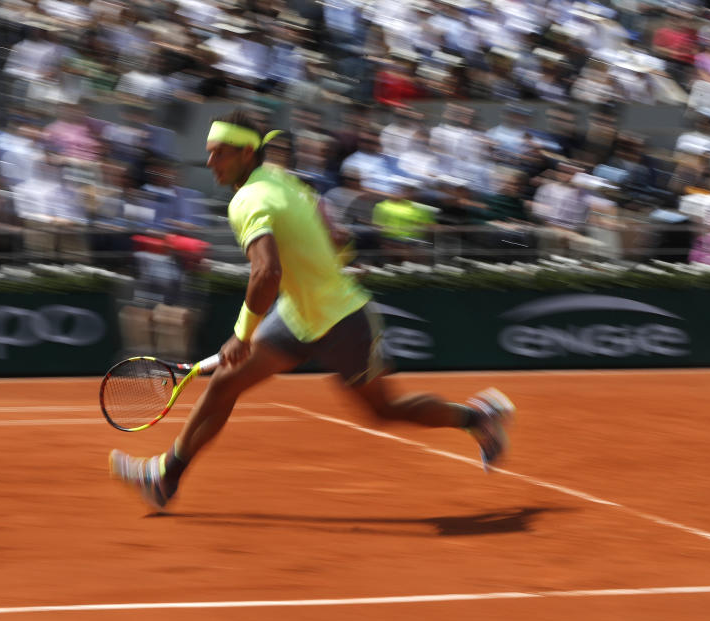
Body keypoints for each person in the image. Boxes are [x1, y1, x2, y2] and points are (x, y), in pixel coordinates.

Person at [109, 110, 515, 512]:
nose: (211, 162)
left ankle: (476, 418)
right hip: (298, 314)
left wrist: (242, 334)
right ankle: (166, 477)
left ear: (248, 153)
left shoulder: (248, 199)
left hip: (341, 320)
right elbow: (336, 235)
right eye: (209, 153)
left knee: (384, 409)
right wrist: (324, 258)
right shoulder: (284, 180)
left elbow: (267, 272)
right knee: (224, 384)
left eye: (221, 153)